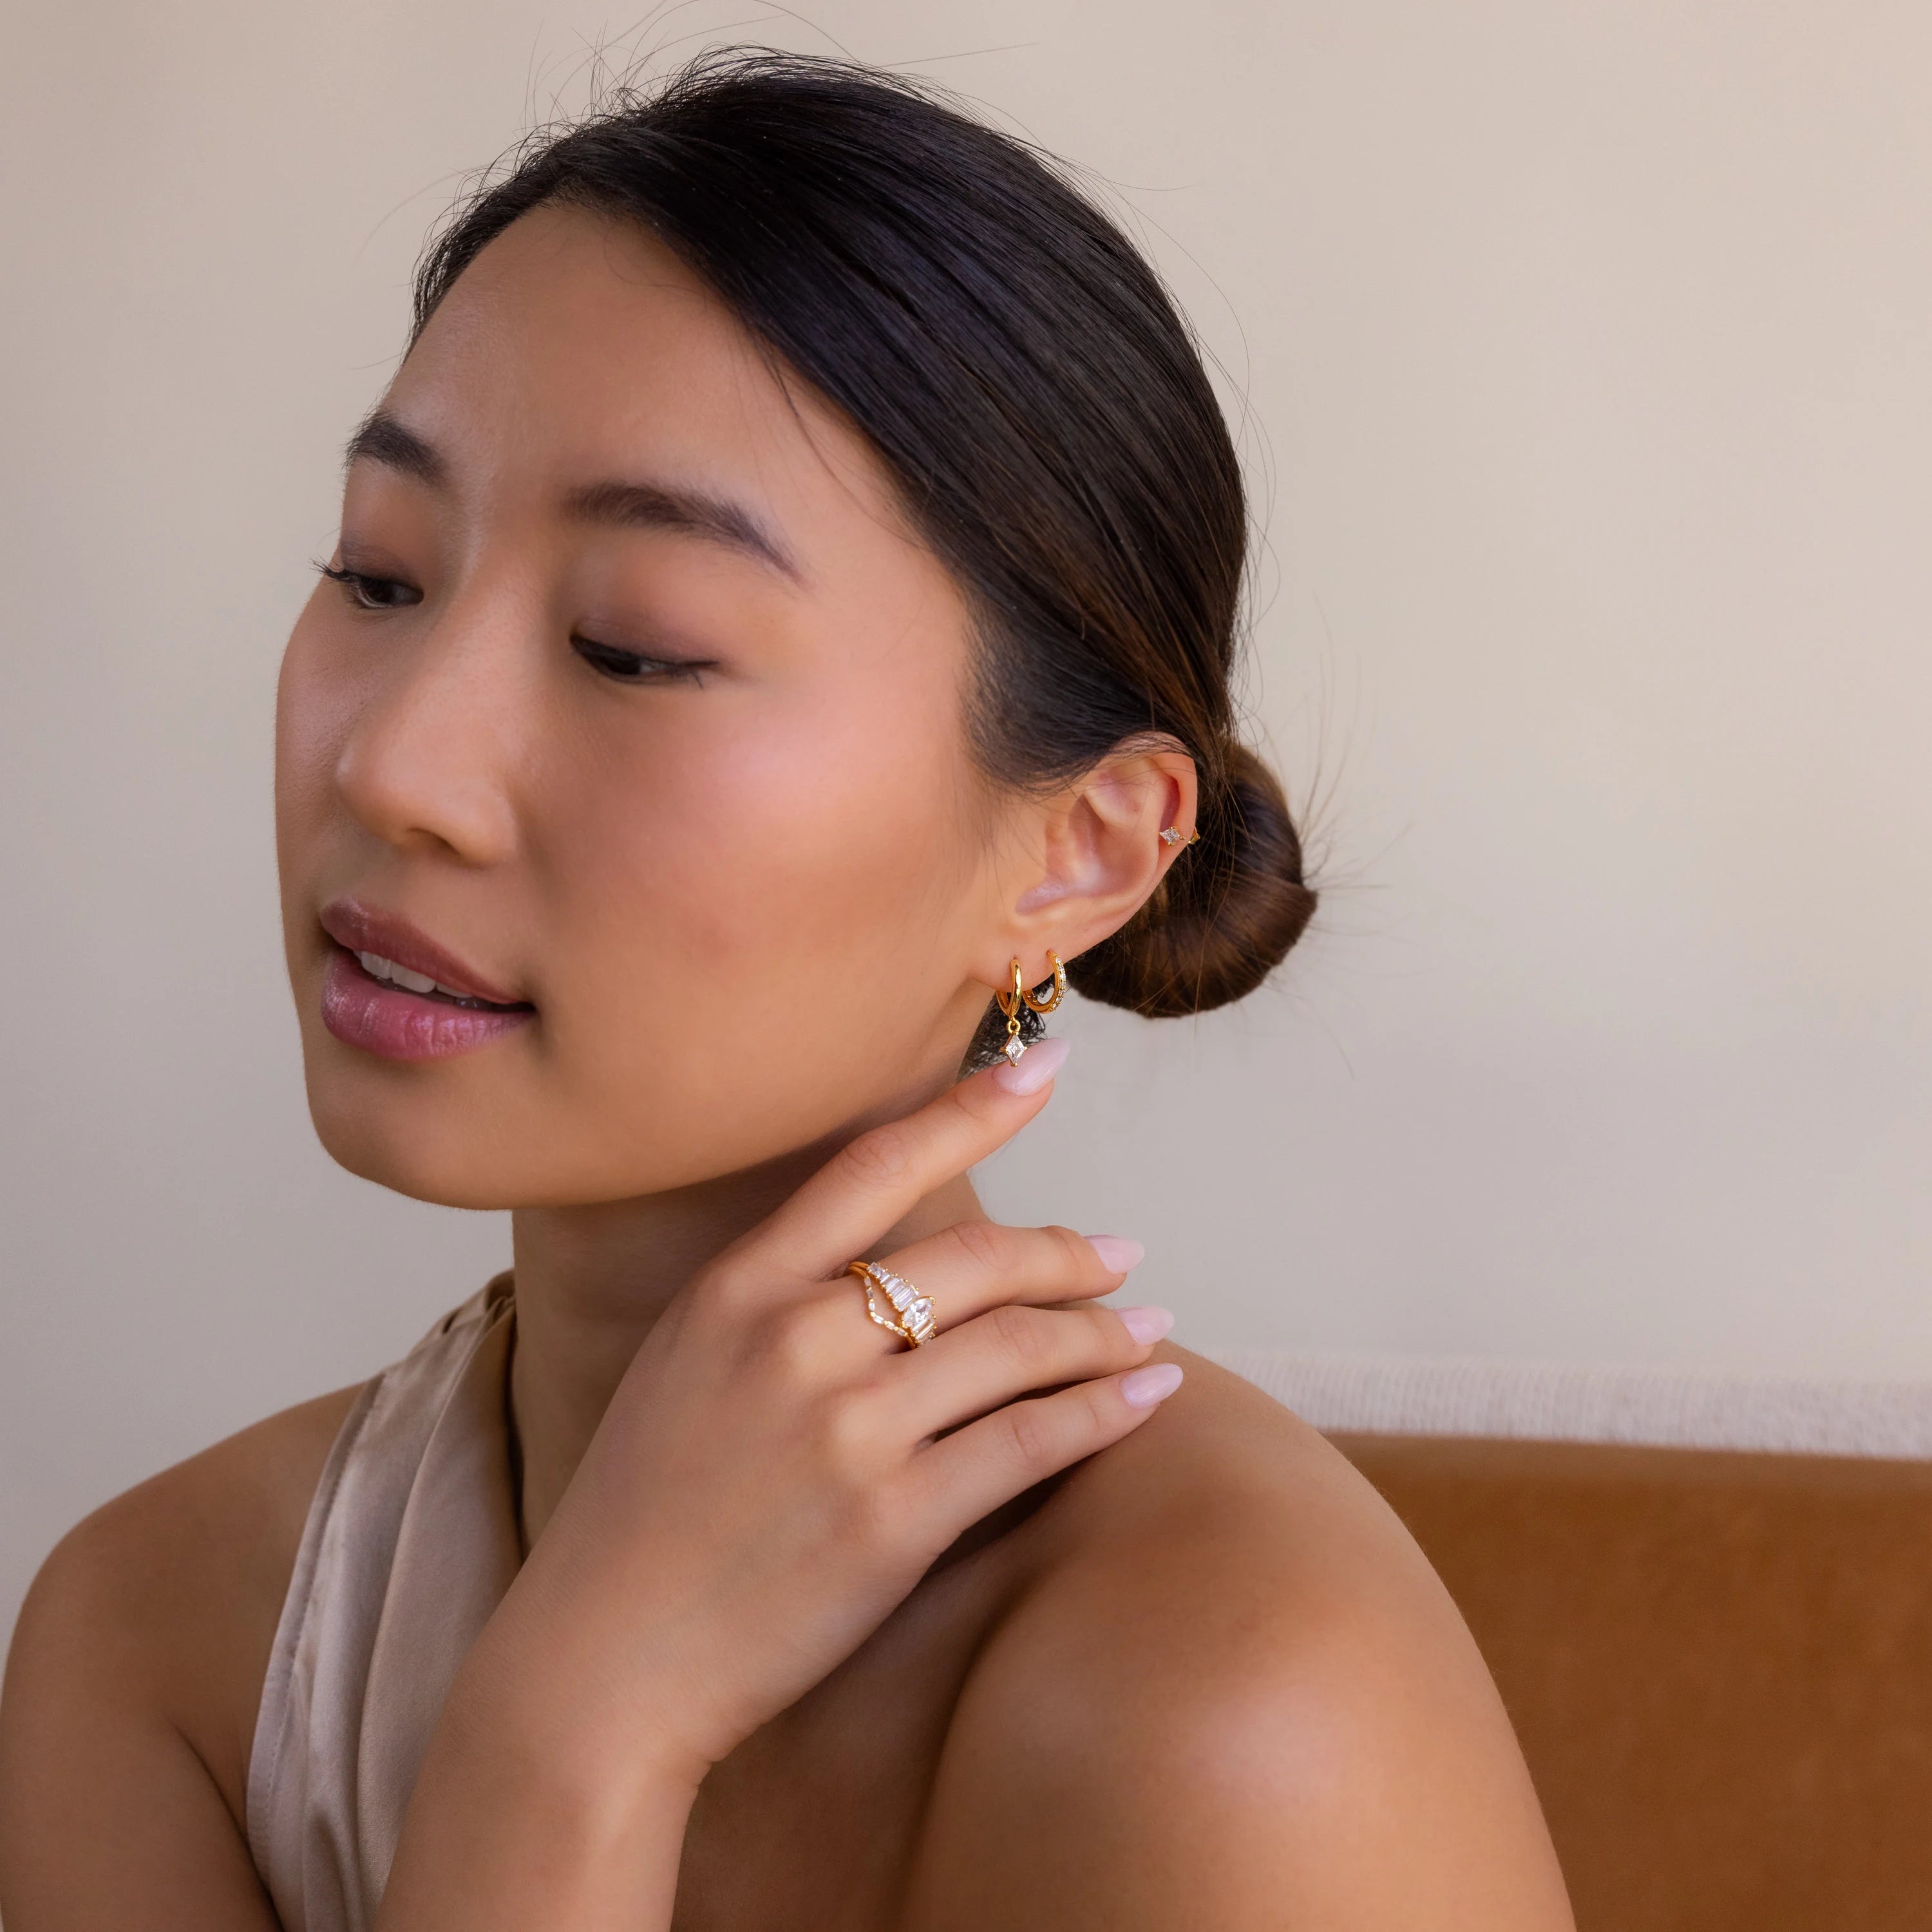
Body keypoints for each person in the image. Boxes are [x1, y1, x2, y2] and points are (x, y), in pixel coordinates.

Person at [0, 50, 1573, 1931]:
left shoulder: (1231, 1703)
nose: (396, 767)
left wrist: (572, 1740)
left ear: (1079, 853)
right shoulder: (167, 1637)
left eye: (638, 649)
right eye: (381, 575)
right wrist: (573, 1726)